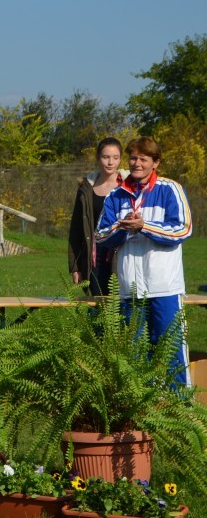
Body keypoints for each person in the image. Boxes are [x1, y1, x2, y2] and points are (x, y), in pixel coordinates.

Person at [96, 137, 193, 386]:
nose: (136, 163)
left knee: (171, 353)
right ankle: (138, 418)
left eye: (143, 159)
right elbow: (101, 235)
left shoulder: (170, 189)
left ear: (155, 162)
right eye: (133, 158)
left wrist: (144, 226)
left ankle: (179, 414)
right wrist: (123, 228)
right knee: (134, 356)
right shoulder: (116, 195)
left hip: (164, 287)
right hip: (129, 289)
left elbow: (182, 230)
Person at [68, 137, 127, 295]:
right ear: (98, 158)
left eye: (115, 158)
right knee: (96, 308)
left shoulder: (129, 186)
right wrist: (74, 266)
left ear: (120, 159)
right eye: (106, 157)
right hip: (94, 258)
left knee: (122, 309)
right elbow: (76, 230)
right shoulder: (85, 188)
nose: (110, 162)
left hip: (123, 255)